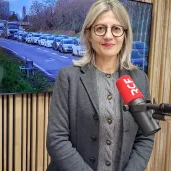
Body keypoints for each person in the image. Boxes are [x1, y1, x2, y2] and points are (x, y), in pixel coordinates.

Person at [46, 0, 155, 170]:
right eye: (100, 28)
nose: (108, 36)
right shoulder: (68, 77)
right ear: (89, 34)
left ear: (125, 35)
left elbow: (145, 137)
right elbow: (56, 140)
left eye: (116, 29)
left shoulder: (139, 79)